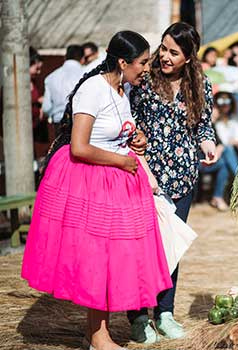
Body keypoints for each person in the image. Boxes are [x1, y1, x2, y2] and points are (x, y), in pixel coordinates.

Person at [21, 31, 172, 350]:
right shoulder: (92, 89)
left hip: (116, 180)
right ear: (123, 62)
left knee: (112, 260)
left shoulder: (122, 89)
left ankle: (99, 333)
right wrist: (121, 160)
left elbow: (116, 129)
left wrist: (136, 138)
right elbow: (79, 147)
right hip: (90, 183)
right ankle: (97, 336)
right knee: (97, 260)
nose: (147, 68)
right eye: (143, 63)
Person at [128, 22, 216, 343]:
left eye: (173, 52)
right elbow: (129, 123)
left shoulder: (201, 86)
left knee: (171, 250)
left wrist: (208, 143)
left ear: (189, 58)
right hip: (146, 177)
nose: (164, 56)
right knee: (142, 249)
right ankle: (138, 316)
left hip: (183, 178)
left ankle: (165, 312)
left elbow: (203, 125)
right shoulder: (144, 81)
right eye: (163, 48)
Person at [42, 44, 85, 135]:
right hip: (82, 122)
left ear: (65, 58)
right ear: (82, 59)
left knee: (62, 149)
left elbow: (46, 108)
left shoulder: (51, 77)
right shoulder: (86, 74)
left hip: (59, 123)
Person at [30, 46, 48, 144]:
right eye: (37, 68)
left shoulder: (34, 82)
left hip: (35, 128)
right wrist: (37, 100)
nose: (39, 72)